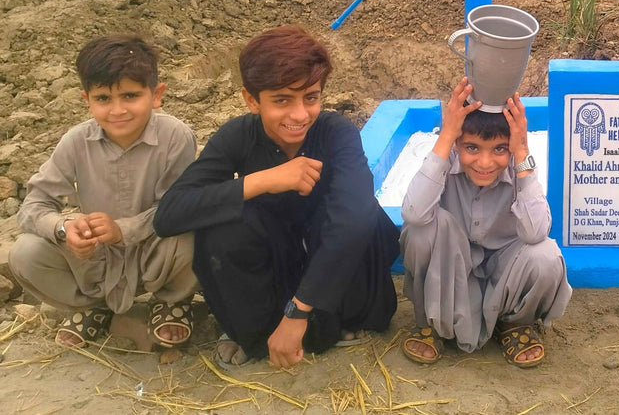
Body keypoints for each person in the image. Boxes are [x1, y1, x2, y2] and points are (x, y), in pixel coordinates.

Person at [153, 25, 400, 369]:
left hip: (334, 270)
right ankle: (257, 334)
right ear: (251, 100)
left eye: (310, 98)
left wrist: (299, 311)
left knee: (358, 214)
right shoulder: (237, 137)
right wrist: (263, 180)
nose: (299, 115)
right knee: (222, 226)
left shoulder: (335, 133)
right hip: (276, 258)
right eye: (282, 100)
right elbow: (170, 215)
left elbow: (352, 220)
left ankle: (324, 324)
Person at [9, 35, 198, 349]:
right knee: (25, 254)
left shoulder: (175, 137)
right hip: (96, 259)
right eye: (103, 99)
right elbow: (33, 206)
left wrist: (121, 230)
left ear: (156, 95)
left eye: (130, 95)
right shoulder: (75, 142)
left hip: (155, 249)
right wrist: (64, 229)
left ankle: (171, 300)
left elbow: (177, 206)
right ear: (87, 100)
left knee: (199, 233)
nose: (118, 110)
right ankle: (92, 307)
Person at [400, 77, 572, 368]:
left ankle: (515, 324)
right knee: (419, 232)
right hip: (452, 270)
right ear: (457, 144)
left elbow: (536, 232)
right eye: (472, 148)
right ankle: (430, 322)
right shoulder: (444, 160)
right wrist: (445, 138)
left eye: (499, 149)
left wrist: (521, 153)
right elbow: (414, 213)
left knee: (545, 255)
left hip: (504, 274)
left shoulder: (521, 169)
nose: (485, 163)